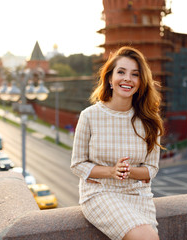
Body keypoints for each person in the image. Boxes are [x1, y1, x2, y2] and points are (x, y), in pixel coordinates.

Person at [70, 46, 165, 240]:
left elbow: (151, 169)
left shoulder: (150, 120)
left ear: (140, 82)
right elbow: (77, 164)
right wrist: (111, 171)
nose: (127, 79)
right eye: (121, 72)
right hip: (99, 192)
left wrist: (128, 171)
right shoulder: (89, 116)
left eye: (135, 74)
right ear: (110, 79)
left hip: (138, 195)